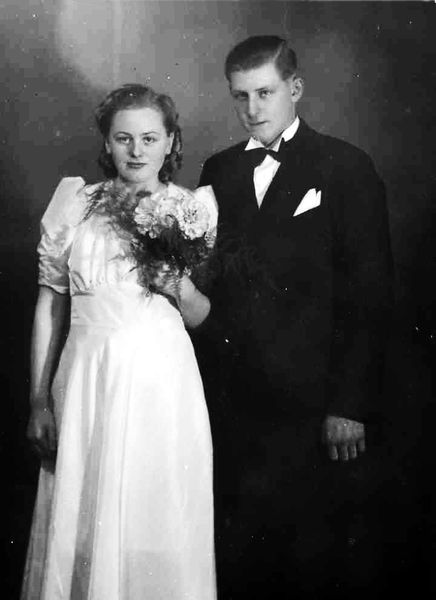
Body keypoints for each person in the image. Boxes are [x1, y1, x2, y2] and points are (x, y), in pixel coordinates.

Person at [196, 36, 394, 598]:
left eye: (265, 93)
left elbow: (370, 295)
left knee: (310, 558)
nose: (252, 108)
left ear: (295, 89)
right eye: (240, 96)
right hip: (236, 398)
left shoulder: (346, 165)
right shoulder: (219, 169)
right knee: (239, 554)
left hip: (313, 403)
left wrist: (348, 404)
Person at [21, 84, 217, 599]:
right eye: (123, 138)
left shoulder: (189, 209)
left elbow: (201, 315)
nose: (136, 151)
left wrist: (176, 284)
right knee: (83, 516)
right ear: (107, 143)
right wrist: (39, 400)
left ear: (170, 142)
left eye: (150, 138)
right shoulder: (75, 205)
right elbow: (50, 305)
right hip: (87, 378)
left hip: (160, 383)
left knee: (155, 514)